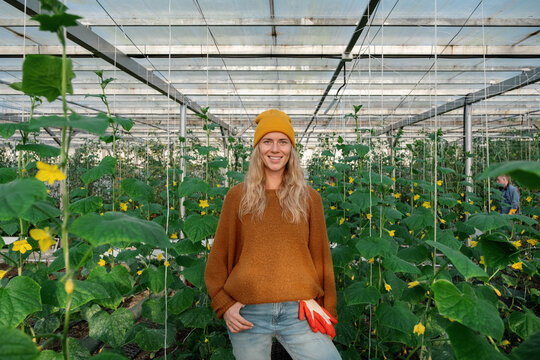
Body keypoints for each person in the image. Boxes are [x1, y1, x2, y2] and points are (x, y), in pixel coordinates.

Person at [205, 109, 341, 360]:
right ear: (258, 148)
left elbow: (322, 258)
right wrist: (224, 305)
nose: (275, 149)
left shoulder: (310, 198)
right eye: (267, 141)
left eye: (283, 141)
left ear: (291, 149)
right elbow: (219, 256)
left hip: (298, 311)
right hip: (248, 313)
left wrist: (326, 306)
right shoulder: (238, 197)